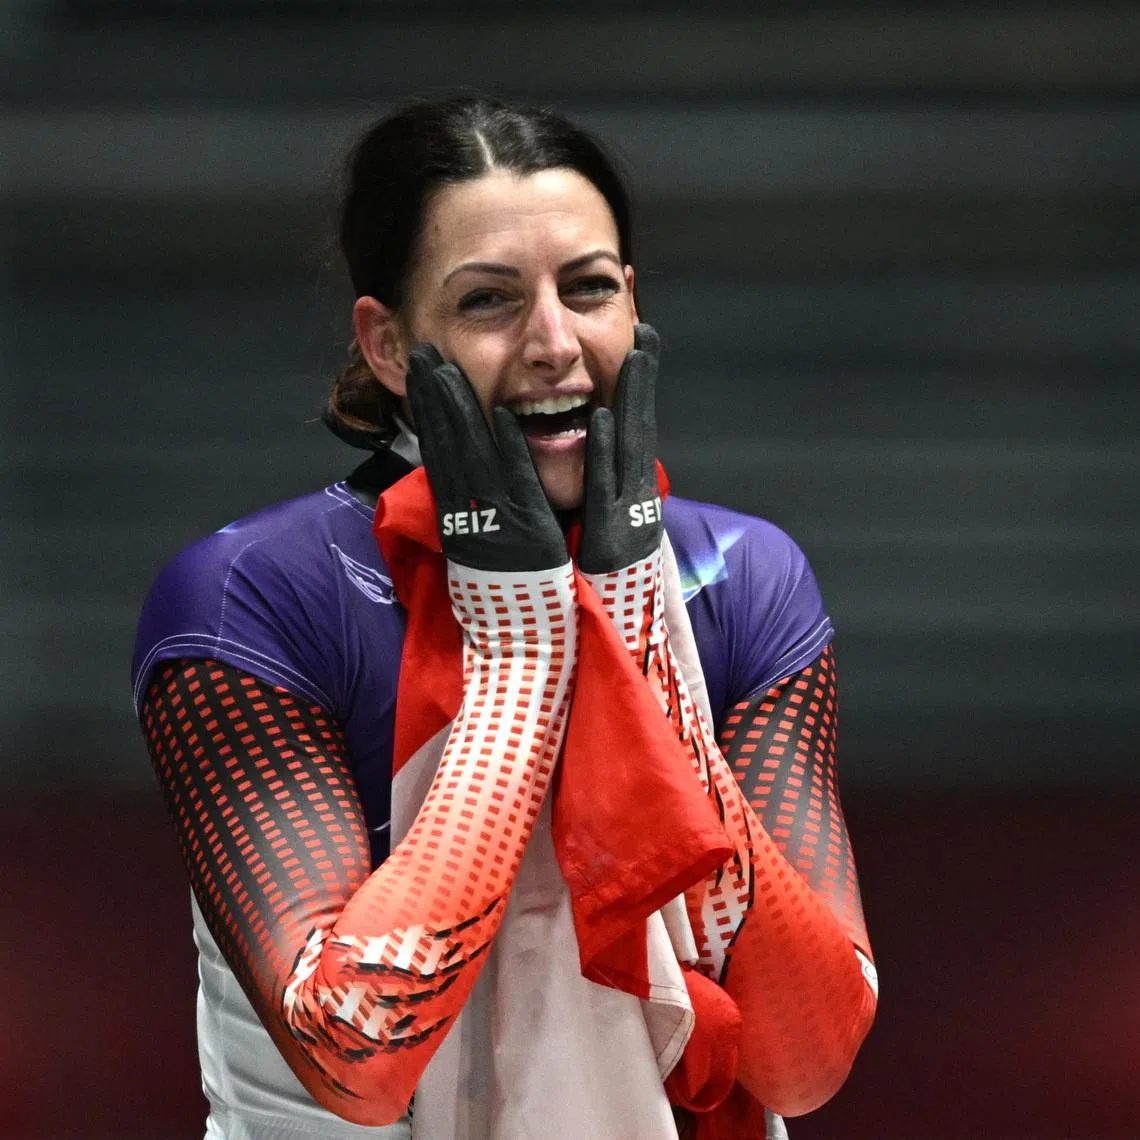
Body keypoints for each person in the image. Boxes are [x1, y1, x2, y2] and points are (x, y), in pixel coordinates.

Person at [132, 96, 877, 1140]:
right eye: (488, 302)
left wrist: (633, 645)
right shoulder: (252, 596)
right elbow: (357, 1057)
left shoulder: (737, 578)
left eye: (589, 289)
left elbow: (807, 1057)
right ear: (388, 345)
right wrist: (525, 656)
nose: (553, 343)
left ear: (633, 305)